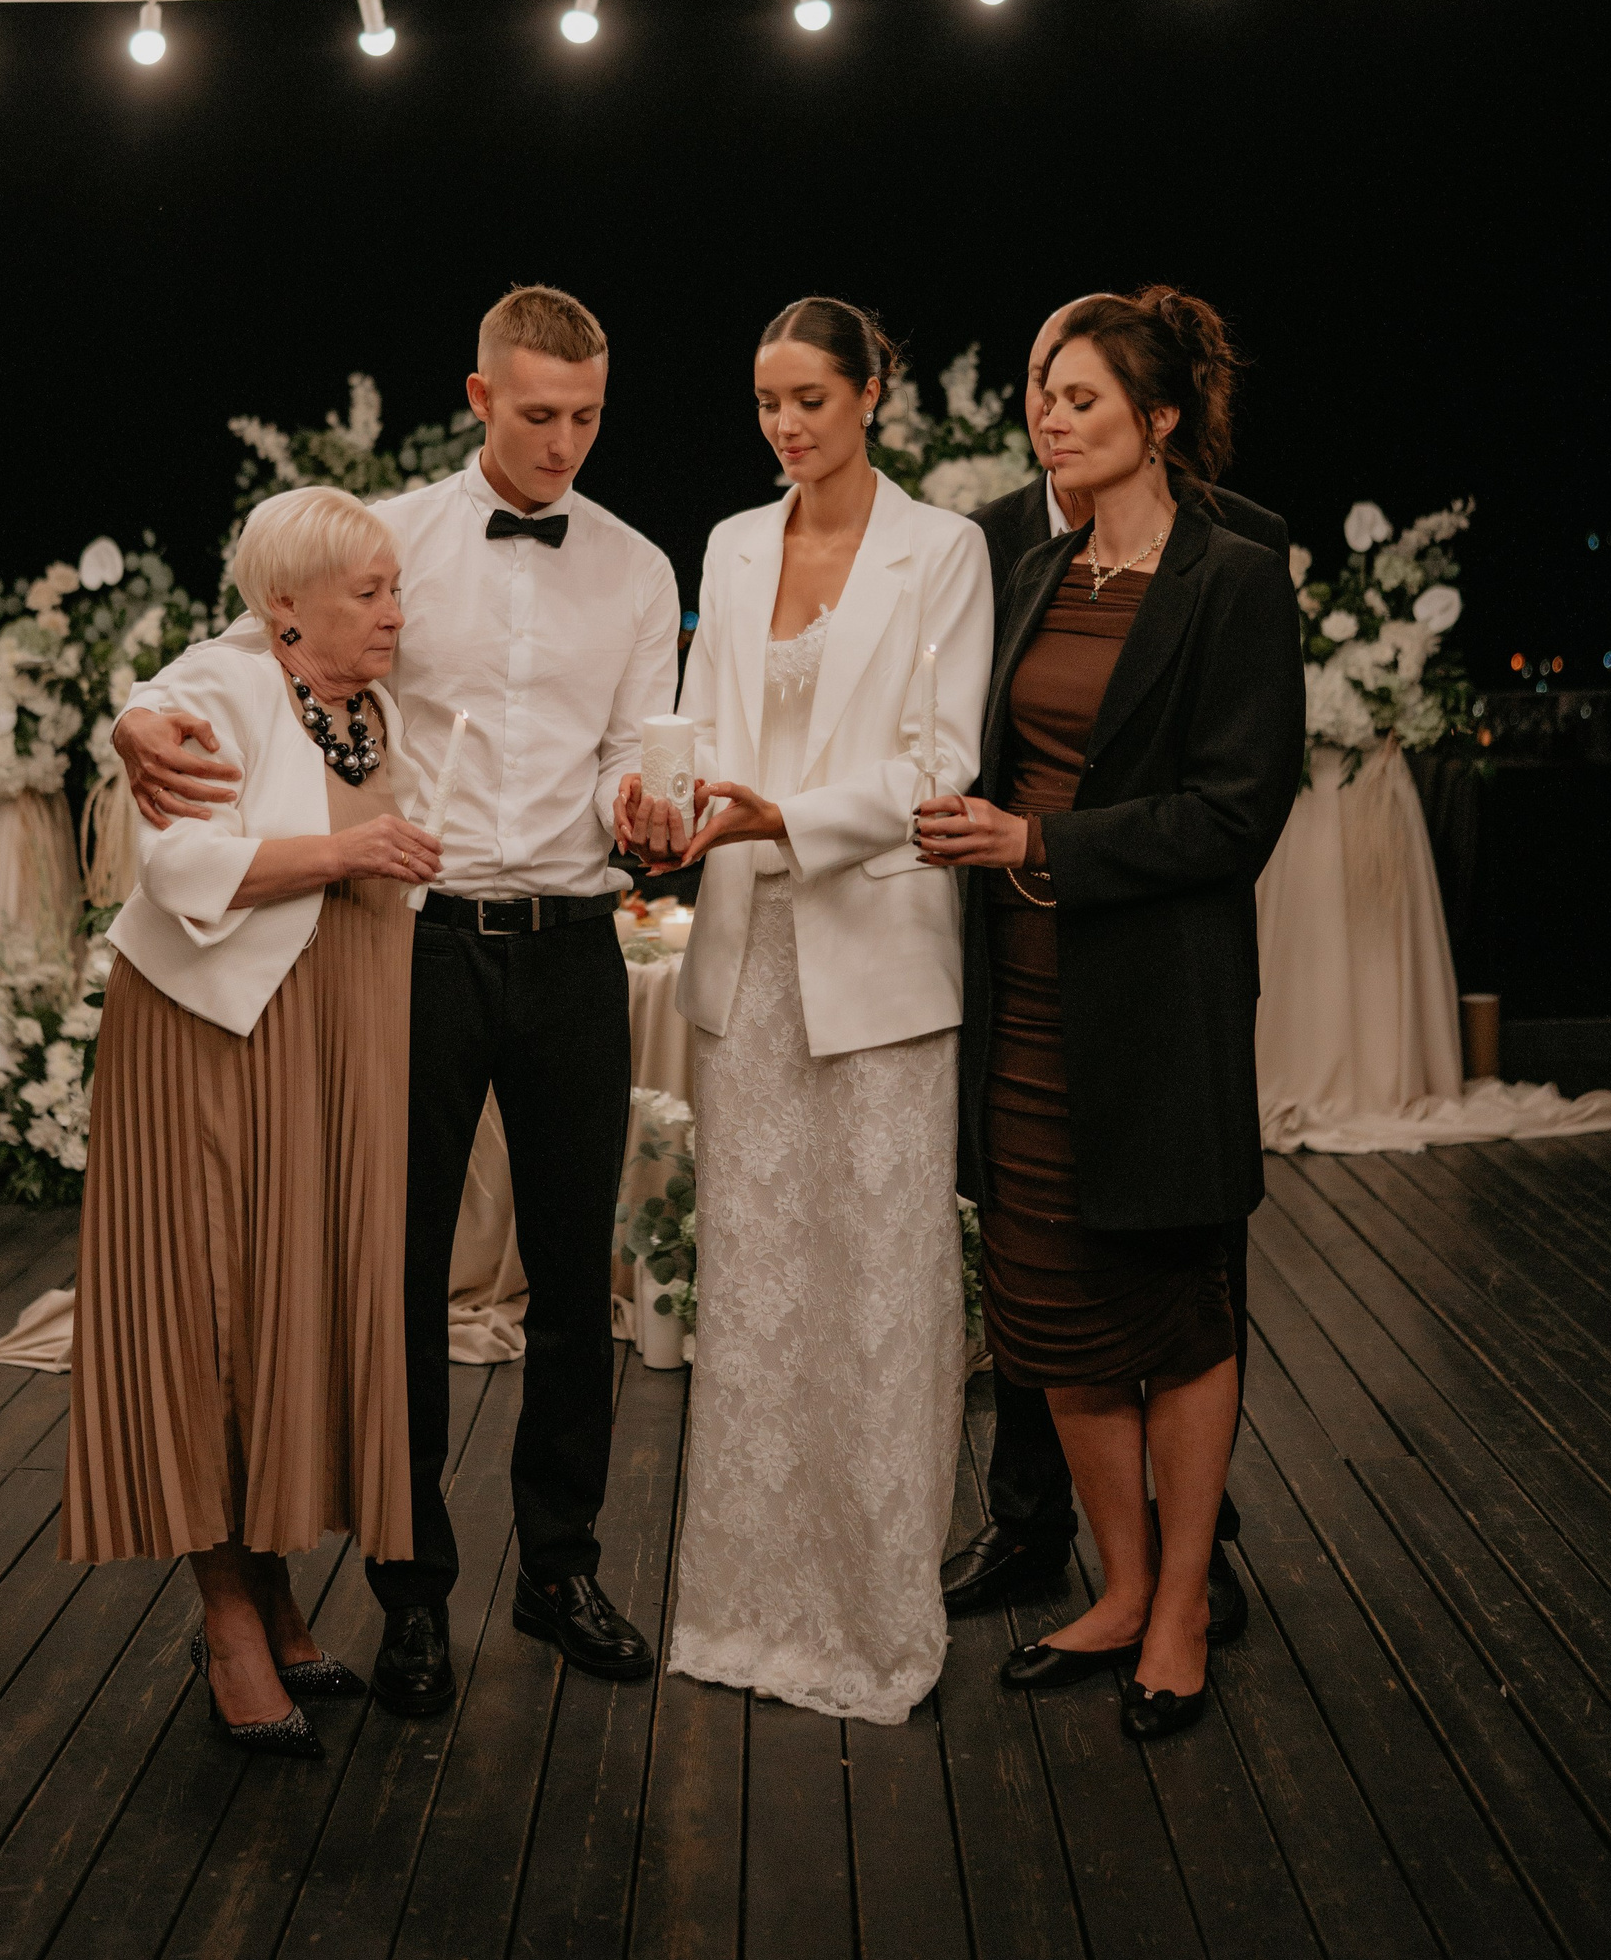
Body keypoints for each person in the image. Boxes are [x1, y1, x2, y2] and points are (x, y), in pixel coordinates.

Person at [114, 287, 680, 1716]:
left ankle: (560, 1568)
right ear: (480, 399)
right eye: (538, 415)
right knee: (397, 1274)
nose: (565, 443)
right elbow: (241, 648)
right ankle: (410, 1592)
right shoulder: (391, 540)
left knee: (574, 1279)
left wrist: (643, 802)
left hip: (572, 939)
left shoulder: (638, 566)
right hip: (411, 945)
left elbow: (634, 747)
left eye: (588, 417)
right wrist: (133, 715)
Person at [919, 289, 1302, 1741]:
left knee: (1178, 1309)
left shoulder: (1232, 577)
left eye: (1080, 397)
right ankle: (1122, 1584)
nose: (1050, 416)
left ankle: (1186, 1602)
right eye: (1042, 393)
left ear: (1158, 418)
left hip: (1160, 1000)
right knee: (1051, 1307)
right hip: (1024, 1000)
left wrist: (1041, 845)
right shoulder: (1034, 571)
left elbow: (1237, 812)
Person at [619, 297, 992, 1724]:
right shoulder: (730, 543)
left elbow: (944, 761)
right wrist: (672, 803)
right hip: (744, 955)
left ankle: (879, 1621)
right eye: (767, 401)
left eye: (810, 399)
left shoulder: (941, 549)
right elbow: (698, 723)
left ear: (871, 394)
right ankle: (742, 1608)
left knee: (882, 1286)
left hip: (878, 950)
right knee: (762, 1287)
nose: (784, 425)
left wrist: (792, 818)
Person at [62, 486, 438, 1756]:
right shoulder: (221, 684)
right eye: (368, 594)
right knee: (214, 1316)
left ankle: (271, 1584)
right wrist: (348, 855)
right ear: (284, 610)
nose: (395, 615)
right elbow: (178, 865)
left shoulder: (371, 704)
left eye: (394, 590)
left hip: (335, 1038)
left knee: (288, 1306)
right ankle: (226, 1614)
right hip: (217, 1038)